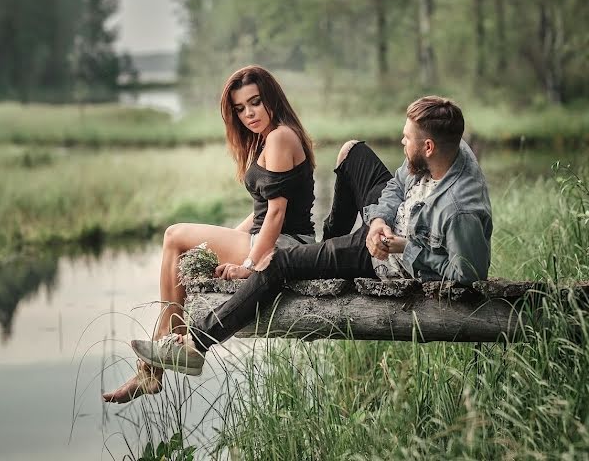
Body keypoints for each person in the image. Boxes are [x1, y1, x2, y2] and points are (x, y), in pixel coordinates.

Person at [126, 95, 493, 378]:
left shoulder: (459, 211)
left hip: (388, 260)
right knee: (353, 152)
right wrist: (380, 219)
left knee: (280, 261)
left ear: (427, 147)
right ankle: (327, 250)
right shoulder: (445, 148)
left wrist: (403, 247)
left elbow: (468, 274)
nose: (401, 140)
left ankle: (195, 344)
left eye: (407, 138)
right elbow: (398, 184)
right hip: (390, 228)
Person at [102, 65, 316, 403]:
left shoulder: (279, 137)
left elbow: (277, 214)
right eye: (240, 109)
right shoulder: (269, 137)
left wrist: (248, 262)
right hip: (271, 236)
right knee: (189, 250)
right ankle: (159, 360)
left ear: (272, 98)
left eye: (255, 102)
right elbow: (263, 210)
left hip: (286, 245)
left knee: (174, 235)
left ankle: (164, 357)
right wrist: (222, 242)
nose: (248, 114)